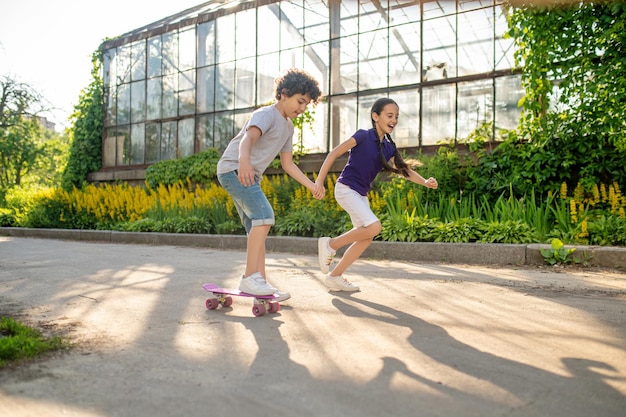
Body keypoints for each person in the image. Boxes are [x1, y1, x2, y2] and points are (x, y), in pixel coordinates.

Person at [216, 68, 325, 301]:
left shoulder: (288, 127)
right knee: (265, 216)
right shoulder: (266, 114)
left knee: (257, 227)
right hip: (234, 169)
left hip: (246, 175)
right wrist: (244, 161)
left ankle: (259, 283)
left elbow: (288, 164)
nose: (302, 108)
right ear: (284, 94)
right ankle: (249, 278)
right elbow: (248, 138)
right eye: (300, 101)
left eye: (306, 105)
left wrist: (311, 185)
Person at [314, 97, 438, 291]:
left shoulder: (388, 147)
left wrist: (424, 181)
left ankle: (335, 276)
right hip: (346, 189)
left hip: (360, 194)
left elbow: (404, 170)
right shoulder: (363, 136)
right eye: (389, 115)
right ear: (375, 116)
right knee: (374, 226)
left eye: (396, 116)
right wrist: (319, 181)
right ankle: (331, 244)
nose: (394, 120)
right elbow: (333, 154)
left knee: (366, 236)